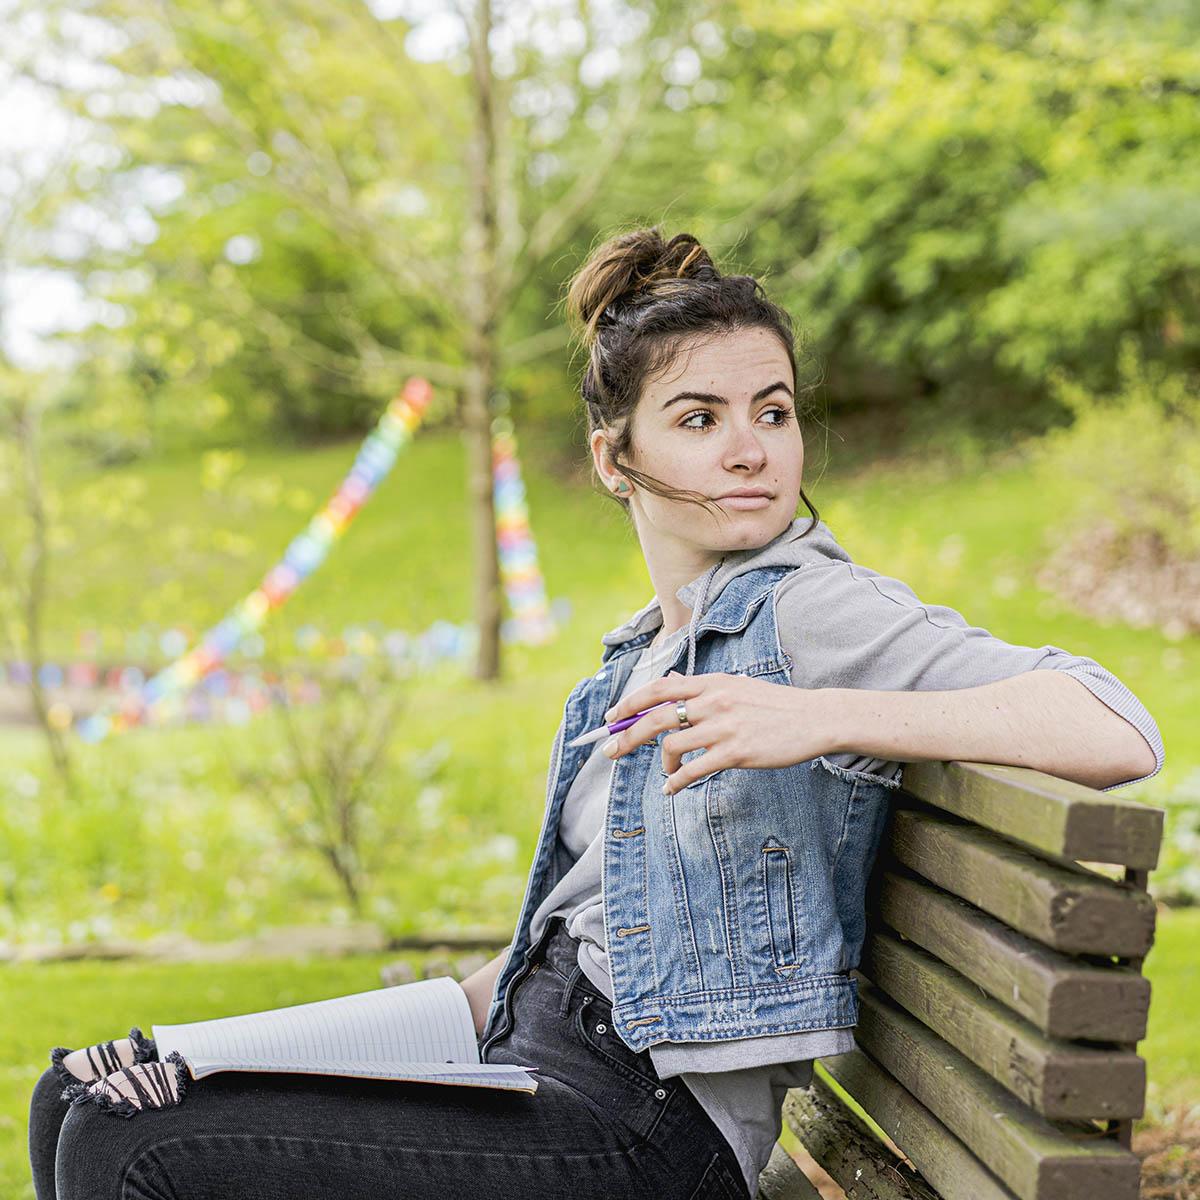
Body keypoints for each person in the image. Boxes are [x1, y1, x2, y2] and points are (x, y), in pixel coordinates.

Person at [28, 226, 1164, 1200]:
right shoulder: (633, 660)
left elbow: (1115, 724)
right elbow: (557, 951)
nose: (749, 446)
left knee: (135, 1147)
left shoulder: (812, 612)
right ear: (614, 458)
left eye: (771, 410)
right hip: (532, 1047)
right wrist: (243, 1048)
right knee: (82, 1091)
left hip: (645, 1132)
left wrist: (820, 717)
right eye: (699, 416)